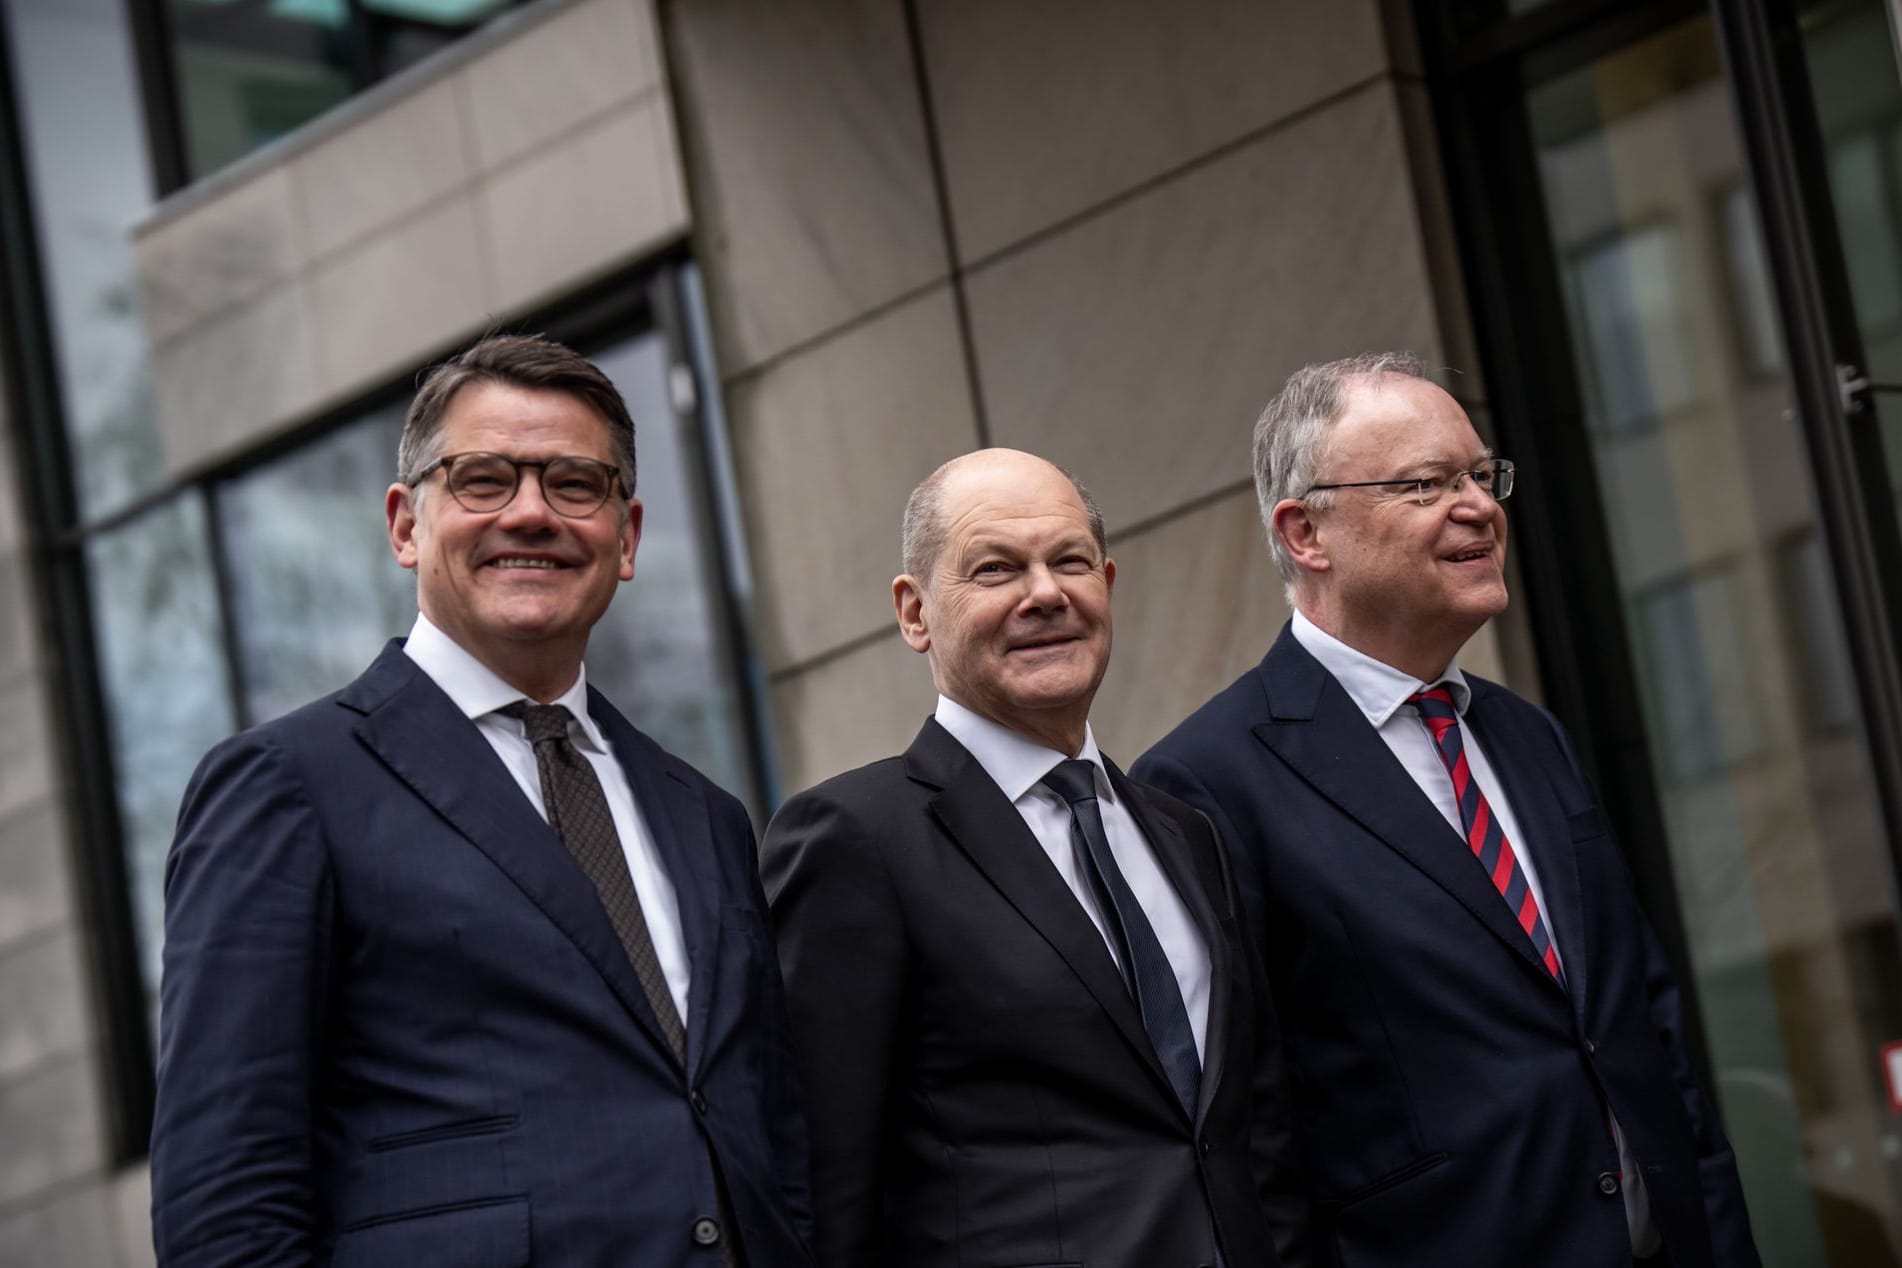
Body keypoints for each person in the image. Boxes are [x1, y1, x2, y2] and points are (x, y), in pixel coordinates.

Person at [150, 334, 811, 1268]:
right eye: (484, 479)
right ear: (404, 524)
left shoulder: (706, 814)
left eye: (575, 485)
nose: (532, 513)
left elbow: (768, 1141)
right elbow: (226, 1202)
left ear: (625, 539)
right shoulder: (287, 786)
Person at [1134, 353, 1760, 1268]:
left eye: (1480, 474)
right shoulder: (1203, 784)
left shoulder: (1526, 734)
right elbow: (1244, 1133)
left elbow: (1643, 1021)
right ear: (1307, 532)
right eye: (1427, 483)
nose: (1479, 506)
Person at [761, 447, 1307, 1268]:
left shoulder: (1184, 834)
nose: (1045, 594)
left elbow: (1256, 1133)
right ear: (915, 614)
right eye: (994, 569)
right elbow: (825, 1182)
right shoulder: (855, 841)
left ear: (1108, 587)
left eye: (1070, 562)